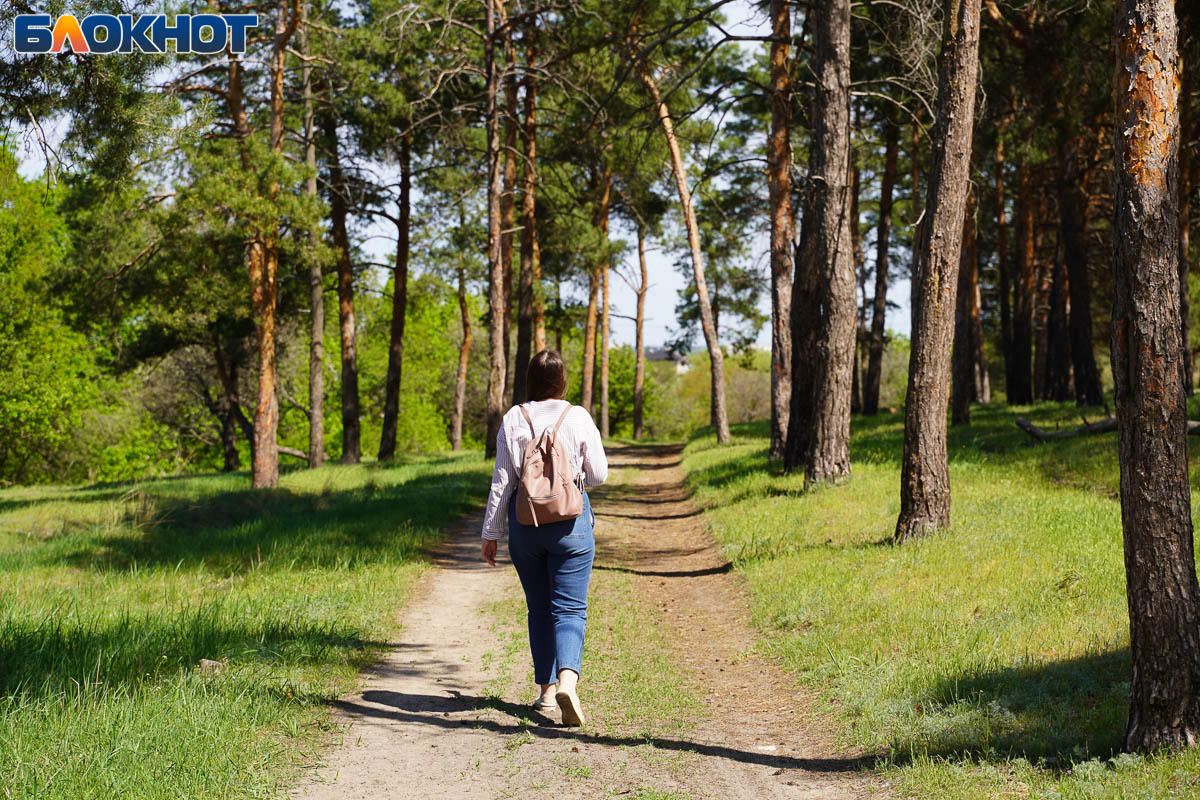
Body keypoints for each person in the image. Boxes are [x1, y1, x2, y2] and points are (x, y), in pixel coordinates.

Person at [481, 349, 608, 727]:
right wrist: (573, 477)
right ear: (563, 381)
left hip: (526, 524)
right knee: (569, 606)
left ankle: (546, 693)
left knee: (539, 607)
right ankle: (569, 680)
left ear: (530, 381)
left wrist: (491, 533)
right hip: (571, 523)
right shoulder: (578, 416)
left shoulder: (514, 418)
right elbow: (598, 473)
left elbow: (502, 481)